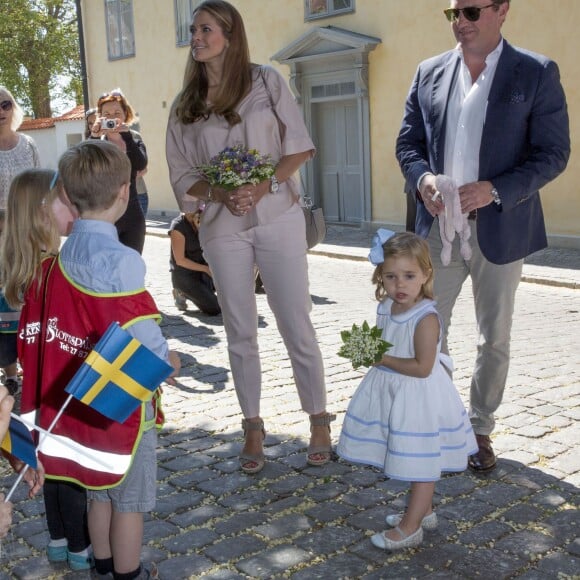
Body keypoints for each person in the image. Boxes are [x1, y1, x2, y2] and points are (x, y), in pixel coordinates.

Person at [395, 0, 570, 472]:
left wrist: (496, 189)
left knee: (494, 337)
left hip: (501, 226)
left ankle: (479, 426)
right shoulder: (428, 71)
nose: (460, 22)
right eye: (452, 13)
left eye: (471, 11)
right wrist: (423, 179)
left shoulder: (534, 72)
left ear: (502, 10)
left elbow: (553, 153)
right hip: (437, 228)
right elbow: (407, 144)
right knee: (426, 326)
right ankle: (448, 417)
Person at [166, 0, 334, 474]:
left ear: (229, 33)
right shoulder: (185, 104)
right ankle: (252, 427)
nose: (196, 37)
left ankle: (318, 419)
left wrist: (264, 185)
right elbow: (182, 175)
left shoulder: (266, 81)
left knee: (295, 320)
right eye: (194, 30)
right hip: (222, 227)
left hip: (278, 213)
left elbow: (298, 145)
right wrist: (219, 191)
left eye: (205, 29)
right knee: (239, 329)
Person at [13, 142, 179, 579]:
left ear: (67, 195)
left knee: (99, 492)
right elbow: (145, 341)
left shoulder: (59, 258)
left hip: (80, 404)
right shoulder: (123, 262)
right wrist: (172, 360)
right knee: (130, 502)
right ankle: (129, 574)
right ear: (125, 192)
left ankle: (102, 568)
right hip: (120, 404)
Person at [337, 230, 477, 551]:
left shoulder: (426, 318)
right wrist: (366, 347)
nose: (399, 284)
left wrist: (380, 357)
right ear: (380, 277)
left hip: (419, 397)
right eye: (391, 276)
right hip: (393, 391)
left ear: (426, 274)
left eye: (409, 275)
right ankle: (423, 510)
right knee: (411, 452)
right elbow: (384, 338)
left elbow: (422, 367)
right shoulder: (387, 307)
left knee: (421, 460)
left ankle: (410, 527)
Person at [0, 168, 90, 569]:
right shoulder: (55, 267)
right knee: (68, 469)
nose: (73, 206)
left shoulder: (16, 263)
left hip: (34, 390)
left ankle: (58, 540)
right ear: (42, 211)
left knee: (47, 464)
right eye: (65, 199)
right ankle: (80, 548)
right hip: (60, 384)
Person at [0, 86, 41, 395]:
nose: (1, 111)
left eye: (5, 104)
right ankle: (10, 371)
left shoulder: (28, 144)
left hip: (27, 233)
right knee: (4, 303)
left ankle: (35, 363)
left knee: (31, 298)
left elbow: (41, 189)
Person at [90, 89, 147, 255]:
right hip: (104, 214)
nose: (112, 118)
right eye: (106, 114)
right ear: (100, 117)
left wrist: (127, 137)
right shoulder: (96, 142)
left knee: (132, 263)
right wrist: (94, 136)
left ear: (125, 115)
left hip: (132, 213)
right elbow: (86, 165)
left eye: (117, 113)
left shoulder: (134, 139)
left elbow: (140, 163)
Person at [169, 208, 221, 316]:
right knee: (215, 308)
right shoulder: (178, 226)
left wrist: (201, 231)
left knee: (229, 294)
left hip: (203, 270)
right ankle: (181, 292)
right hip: (185, 274)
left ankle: (205, 291)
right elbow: (180, 260)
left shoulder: (204, 221)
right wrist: (206, 269)